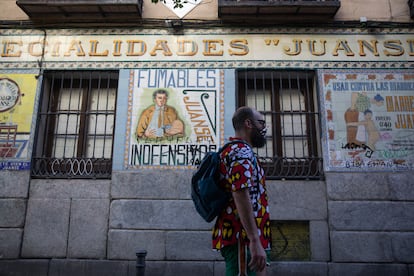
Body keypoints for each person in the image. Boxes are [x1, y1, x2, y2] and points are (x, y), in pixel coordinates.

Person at [212, 106, 272, 276]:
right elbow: (240, 192)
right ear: (248, 123)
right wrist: (254, 240)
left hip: (247, 238)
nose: (264, 128)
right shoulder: (241, 151)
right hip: (242, 239)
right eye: (261, 123)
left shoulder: (238, 151)